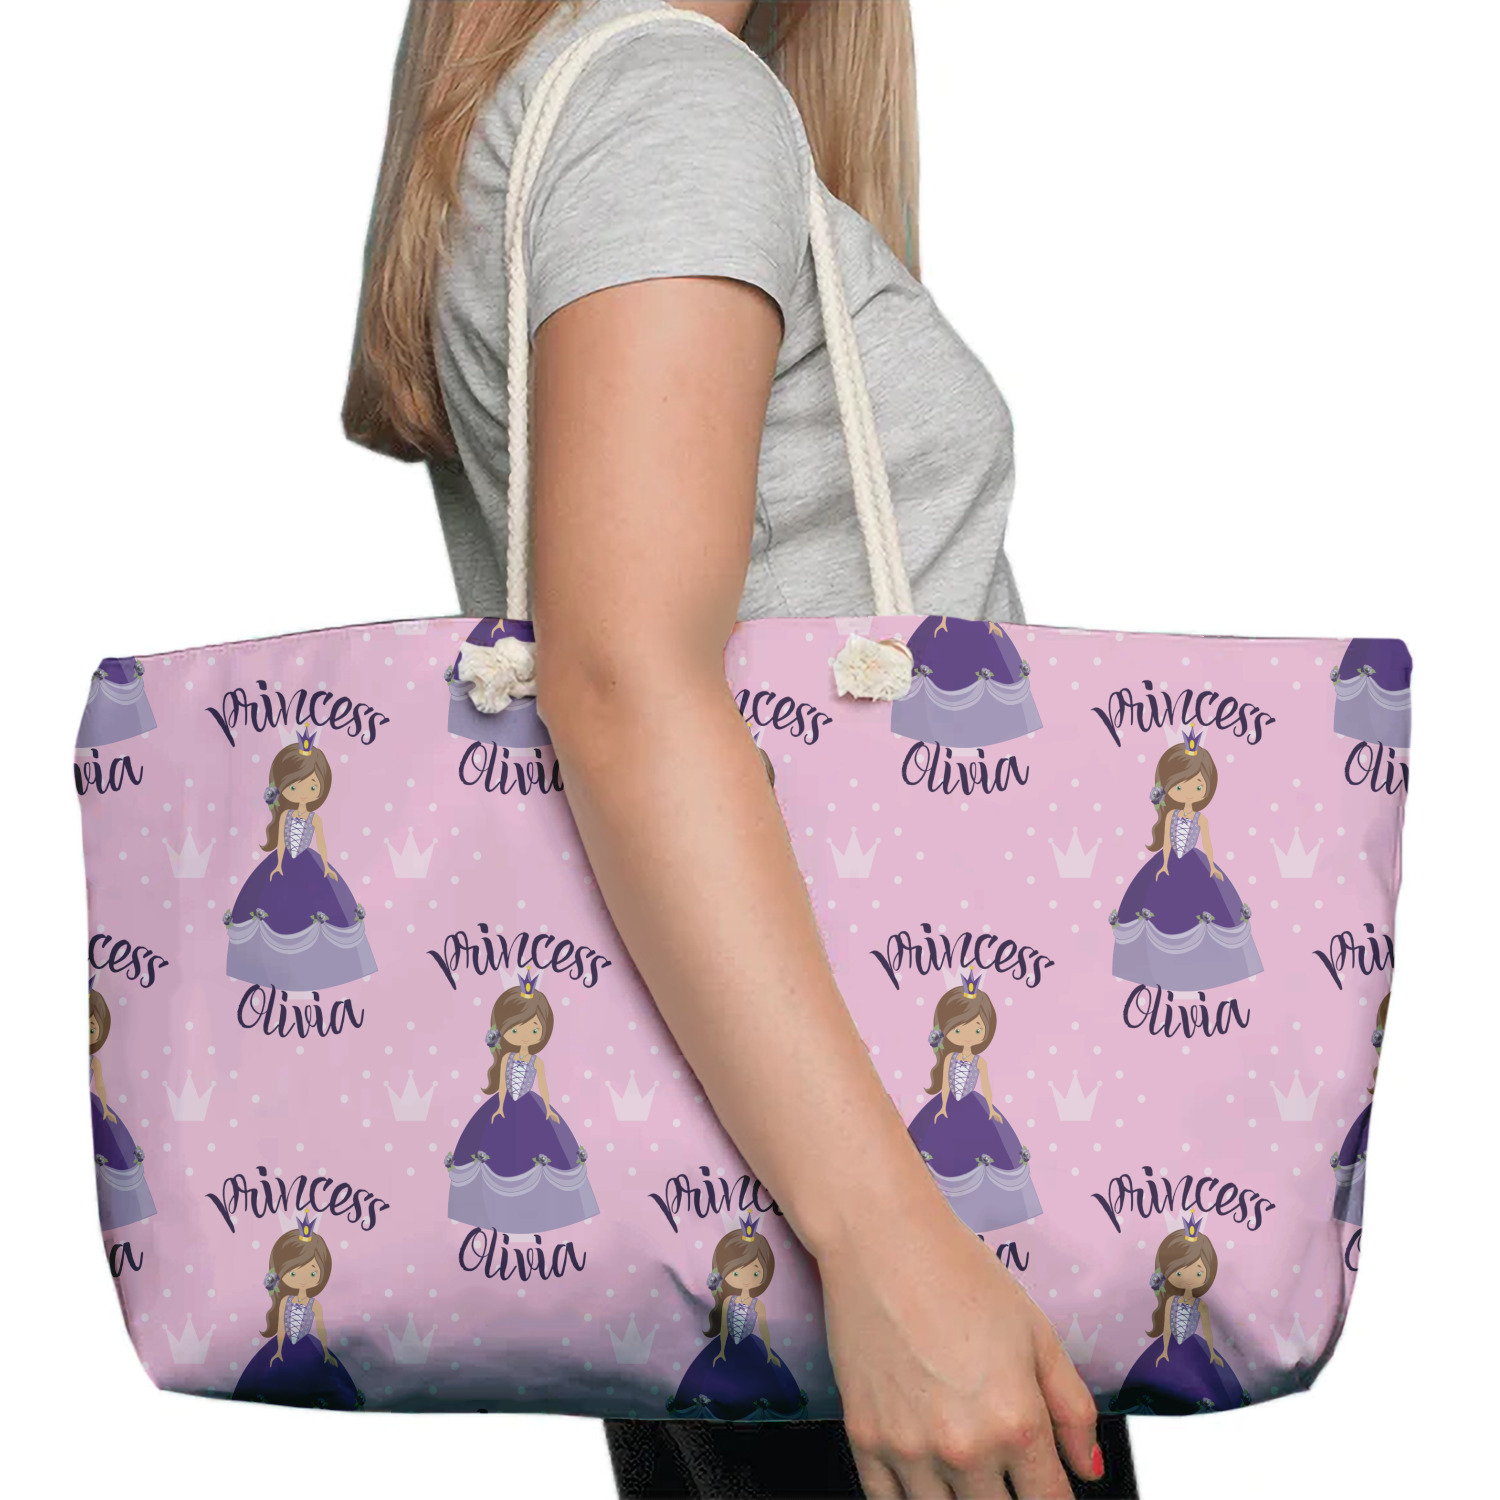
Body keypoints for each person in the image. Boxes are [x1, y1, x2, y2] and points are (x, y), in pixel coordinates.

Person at [344, 1, 1137, 1494]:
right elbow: (621, 680)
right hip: (869, 1193)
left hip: (757, 1159)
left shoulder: (599, 98)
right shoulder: (667, 97)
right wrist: (890, 1248)